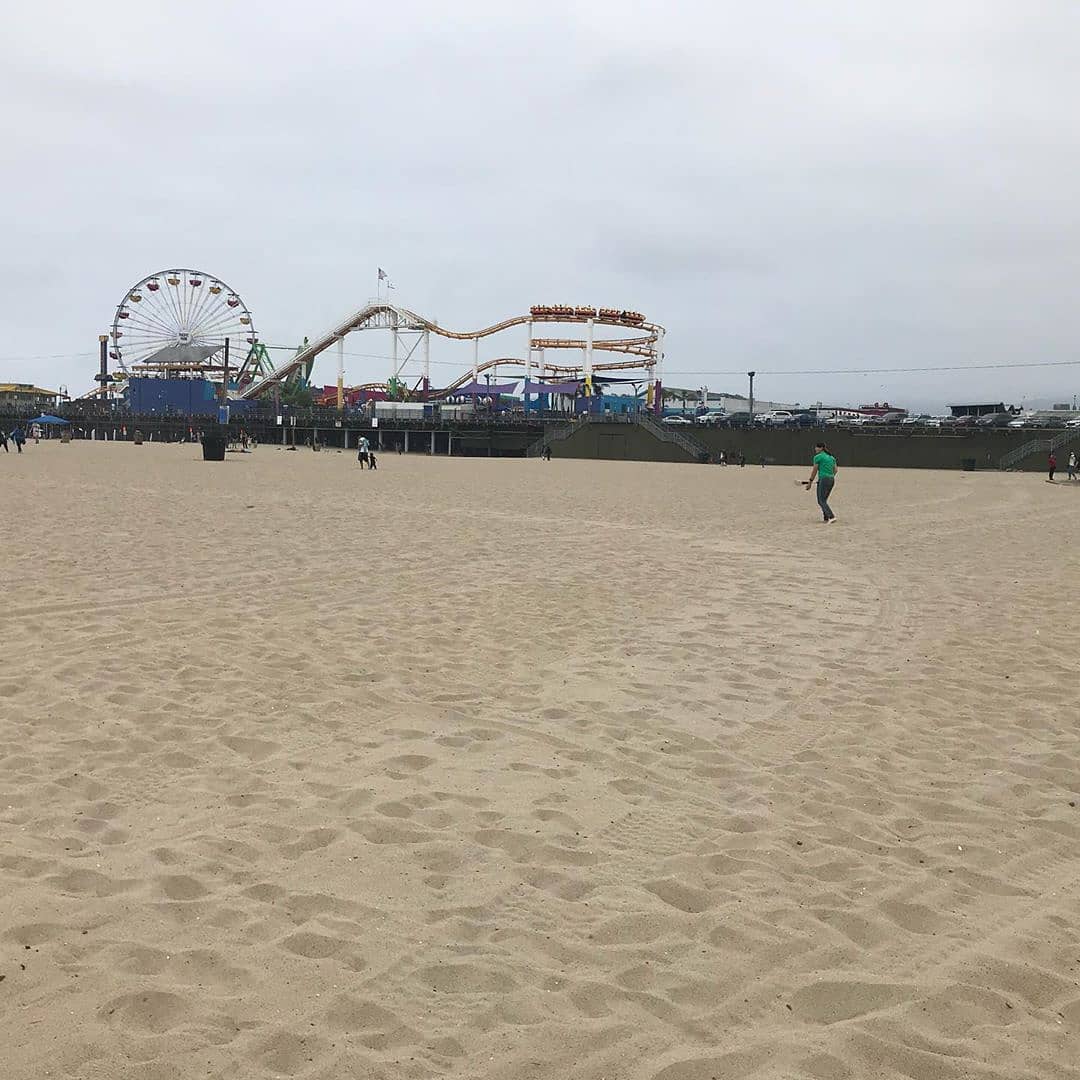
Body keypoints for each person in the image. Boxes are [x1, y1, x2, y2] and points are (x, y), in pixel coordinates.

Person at [804, 441, 838, 523]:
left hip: (823, 479)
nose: (815, 449)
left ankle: (831, 516)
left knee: (821, 501)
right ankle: (826, 517)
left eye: (816, 447)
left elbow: (814, 470)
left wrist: (810, 482)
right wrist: (829, 476)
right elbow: (835, 470)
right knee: (824, 500)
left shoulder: (818, 457)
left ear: (821, 448)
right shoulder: (831, 457)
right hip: (831, 479)